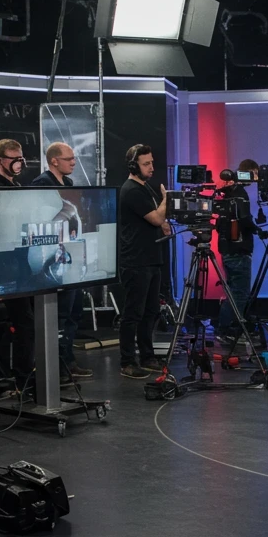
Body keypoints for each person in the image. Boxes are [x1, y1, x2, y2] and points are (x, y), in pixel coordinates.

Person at [0, 139, 52, 388]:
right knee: (25, 325)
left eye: (20, 158)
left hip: (23, 266)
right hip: (8, 267)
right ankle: (24, 379)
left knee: (30, 324)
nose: (18, 163)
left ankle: (30, 374)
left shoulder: (15, 186)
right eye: (13, 158)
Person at [30, 141, 93, 382]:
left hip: (69, 256)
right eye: (69, 159)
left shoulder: (67, 185)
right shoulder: (41, 186)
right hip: (51, 258)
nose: (73, 163)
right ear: (54, 160)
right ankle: (55, 366)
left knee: (74, 311)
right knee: (60, 314)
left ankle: (67, 361)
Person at [117, 144, 169, 379]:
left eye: (152, 162)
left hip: (151, 259)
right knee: (133, 313)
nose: (151, 167)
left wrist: (162, 222)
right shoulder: (131, 190)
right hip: (136, 261)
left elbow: (156, 221)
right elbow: (157, 217)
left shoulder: (145, 187)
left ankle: (147, 355)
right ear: (133, 166)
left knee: (150, 312)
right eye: (146, 163)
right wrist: (166, 200)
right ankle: (127, 360)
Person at [215, 159, 260, 345]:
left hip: (227, 249)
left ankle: (231, 329)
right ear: (248, 172)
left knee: (235, 291)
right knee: (240, 293)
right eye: (255, 174)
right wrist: (257, 229)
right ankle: (227, 330)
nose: (257, 178)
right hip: (238, 251)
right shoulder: (239, 194)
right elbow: (244, 219)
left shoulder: (228, 192)